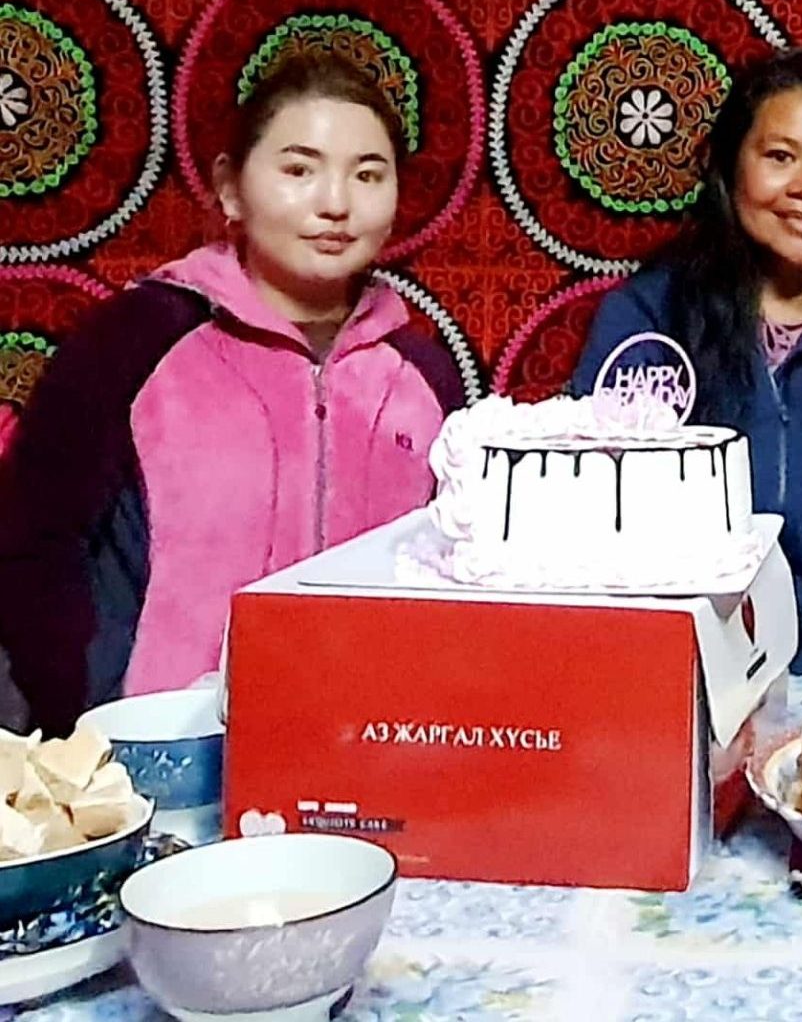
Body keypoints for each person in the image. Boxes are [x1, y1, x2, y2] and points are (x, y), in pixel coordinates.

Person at [0, 54, 463, 734]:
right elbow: (33, 541)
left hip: (374, 743)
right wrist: (85, 713)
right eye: (298, 169)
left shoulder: (422, 372)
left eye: (368, 174)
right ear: (231, 189)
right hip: (164, 752)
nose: (335, 202)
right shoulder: (135, 342)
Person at [571, 48, 802, 675]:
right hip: (671, 678)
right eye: (779, 157)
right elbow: (596, 533)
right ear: (731, 168)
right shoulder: (646, 321)